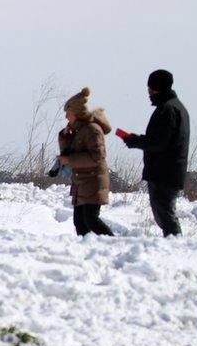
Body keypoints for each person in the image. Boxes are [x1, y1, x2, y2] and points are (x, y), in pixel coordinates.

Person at [121, 69, 190, 236]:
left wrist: (135, 141)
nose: (149, 92)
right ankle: (175, 244)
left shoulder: (168, 110)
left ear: (157, 88)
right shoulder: (174, 107)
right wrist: (137, 139)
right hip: (168, 172)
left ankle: (176, 246)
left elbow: (159, 143)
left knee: (165, 215)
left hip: (164, 173)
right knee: (165, 214)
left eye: (150, 88)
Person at [57, 87, 114, 236]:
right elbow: (71, 151)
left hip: (93, 182)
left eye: (68, 113)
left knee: (91, 219)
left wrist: (69, 160)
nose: (66, 117)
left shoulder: (92, 130)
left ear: (77, 114)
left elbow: (97, 157)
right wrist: (65, 137)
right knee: (80, 222)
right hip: (83, 182)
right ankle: (87, 250)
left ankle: (114, 243)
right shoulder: (80, 130)